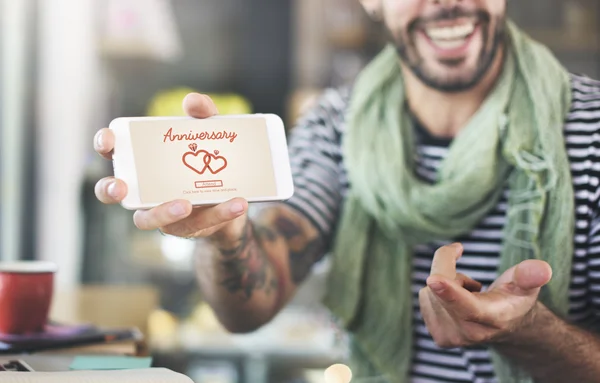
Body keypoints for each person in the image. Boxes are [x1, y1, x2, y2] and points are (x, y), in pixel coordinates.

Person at [93, 0, 600, 382]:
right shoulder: (335, 124)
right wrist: (226, 236)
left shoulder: (592, 127)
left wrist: (532, 332)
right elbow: (248, 306)